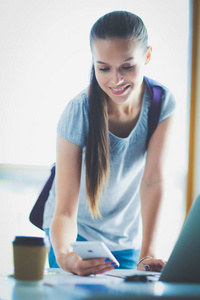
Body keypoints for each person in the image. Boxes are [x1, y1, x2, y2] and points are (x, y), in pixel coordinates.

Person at [43, 10, 176, 276]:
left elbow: (153, 181)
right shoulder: (78, 111)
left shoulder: (161, 102)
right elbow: (65, 210)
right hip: (74, 240)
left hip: (125, 241)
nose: (115, 80)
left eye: (127, 66)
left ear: (147, 56)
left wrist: (147, 253)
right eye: (103, 68)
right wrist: (66, 257)